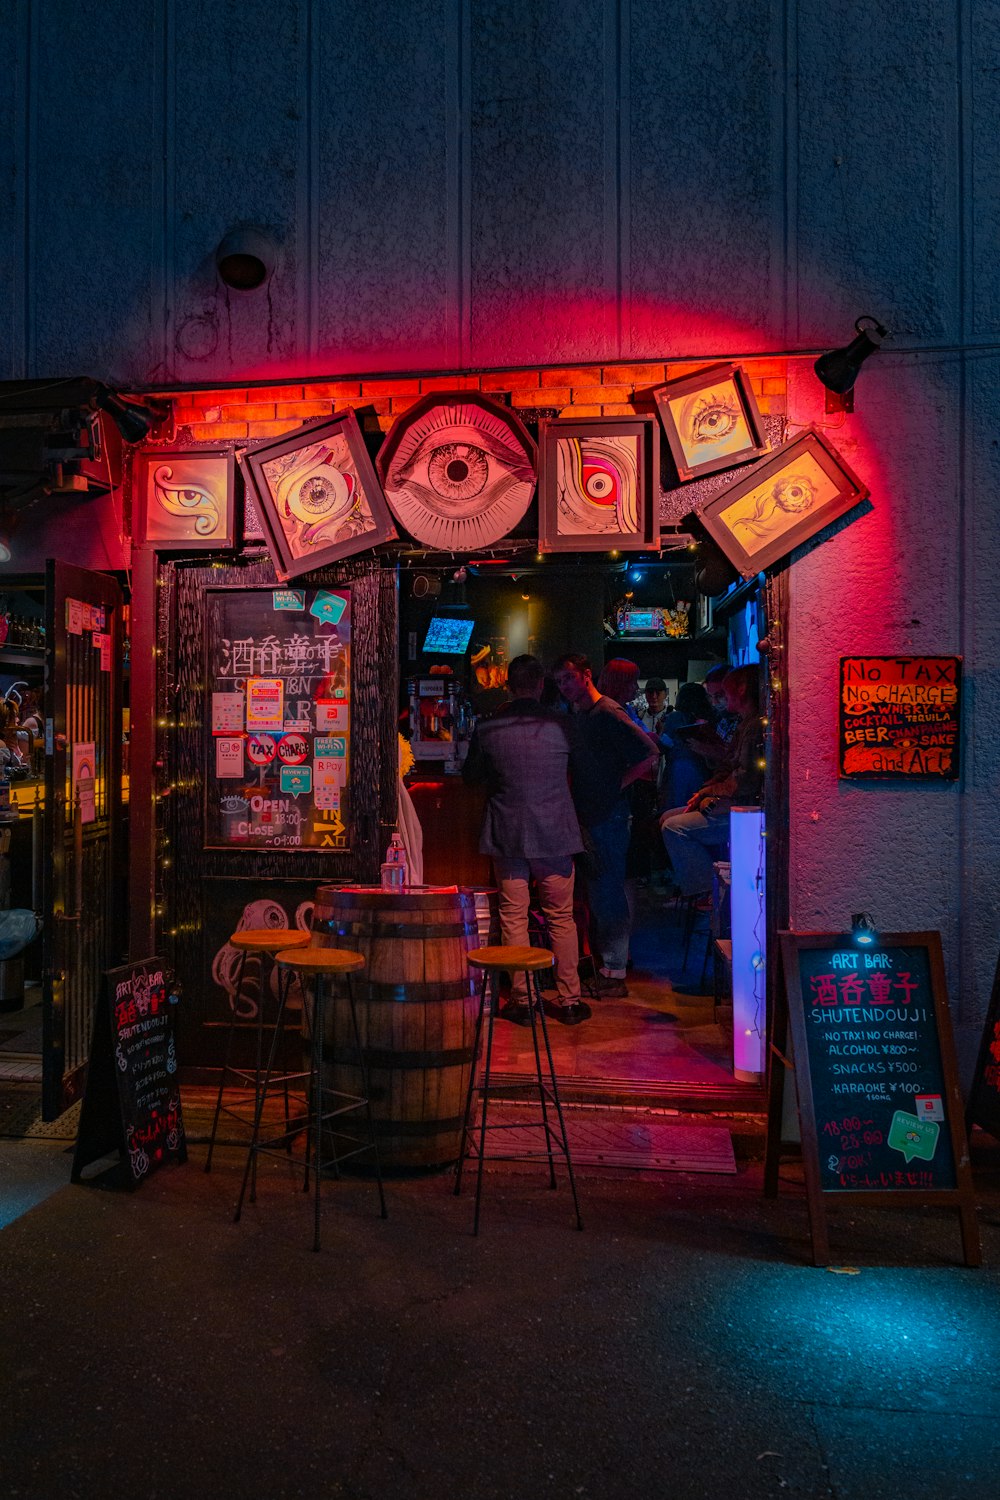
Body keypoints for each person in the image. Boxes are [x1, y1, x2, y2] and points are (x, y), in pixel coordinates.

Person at [462, 654, 590, 1026]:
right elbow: (582, 772)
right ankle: (568, 1000)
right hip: (555, 832)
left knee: (514, 915)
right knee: (560, 917)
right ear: (540, 685)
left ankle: (523, 1000)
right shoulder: (564, 725)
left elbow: (471, 776)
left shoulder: (487, 728)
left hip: (508, 832)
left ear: (508, 685)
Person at [553, 653, 659, 998]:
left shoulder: (607, 711)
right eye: (559, 682)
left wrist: (616, 785)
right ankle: (609, 967)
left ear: (586, 676)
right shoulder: (581, 714)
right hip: (592, 814)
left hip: (609, 815)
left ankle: (614, 973)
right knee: (600, 892)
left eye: (569, 678)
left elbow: (649, 753)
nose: (565, 686)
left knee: (608, 891)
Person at [658, 665, 763, 898]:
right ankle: (704, 890)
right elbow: (728, 766)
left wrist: (709, 791)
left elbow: (743, 781)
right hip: (732, 803)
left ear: (741, 691)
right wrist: (707, 791)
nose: (720, 701)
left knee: (673, 827)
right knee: (668, 817)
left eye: (723, 694)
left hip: (744, 811)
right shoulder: (745, 723)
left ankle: (709, 895)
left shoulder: (754, 726)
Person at [656, 680, 714, 812]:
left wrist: (660, 733)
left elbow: (663, 746)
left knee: (675, 812)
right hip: (702, 772)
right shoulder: (709, 718)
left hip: (677, 772)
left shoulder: (674, 718)